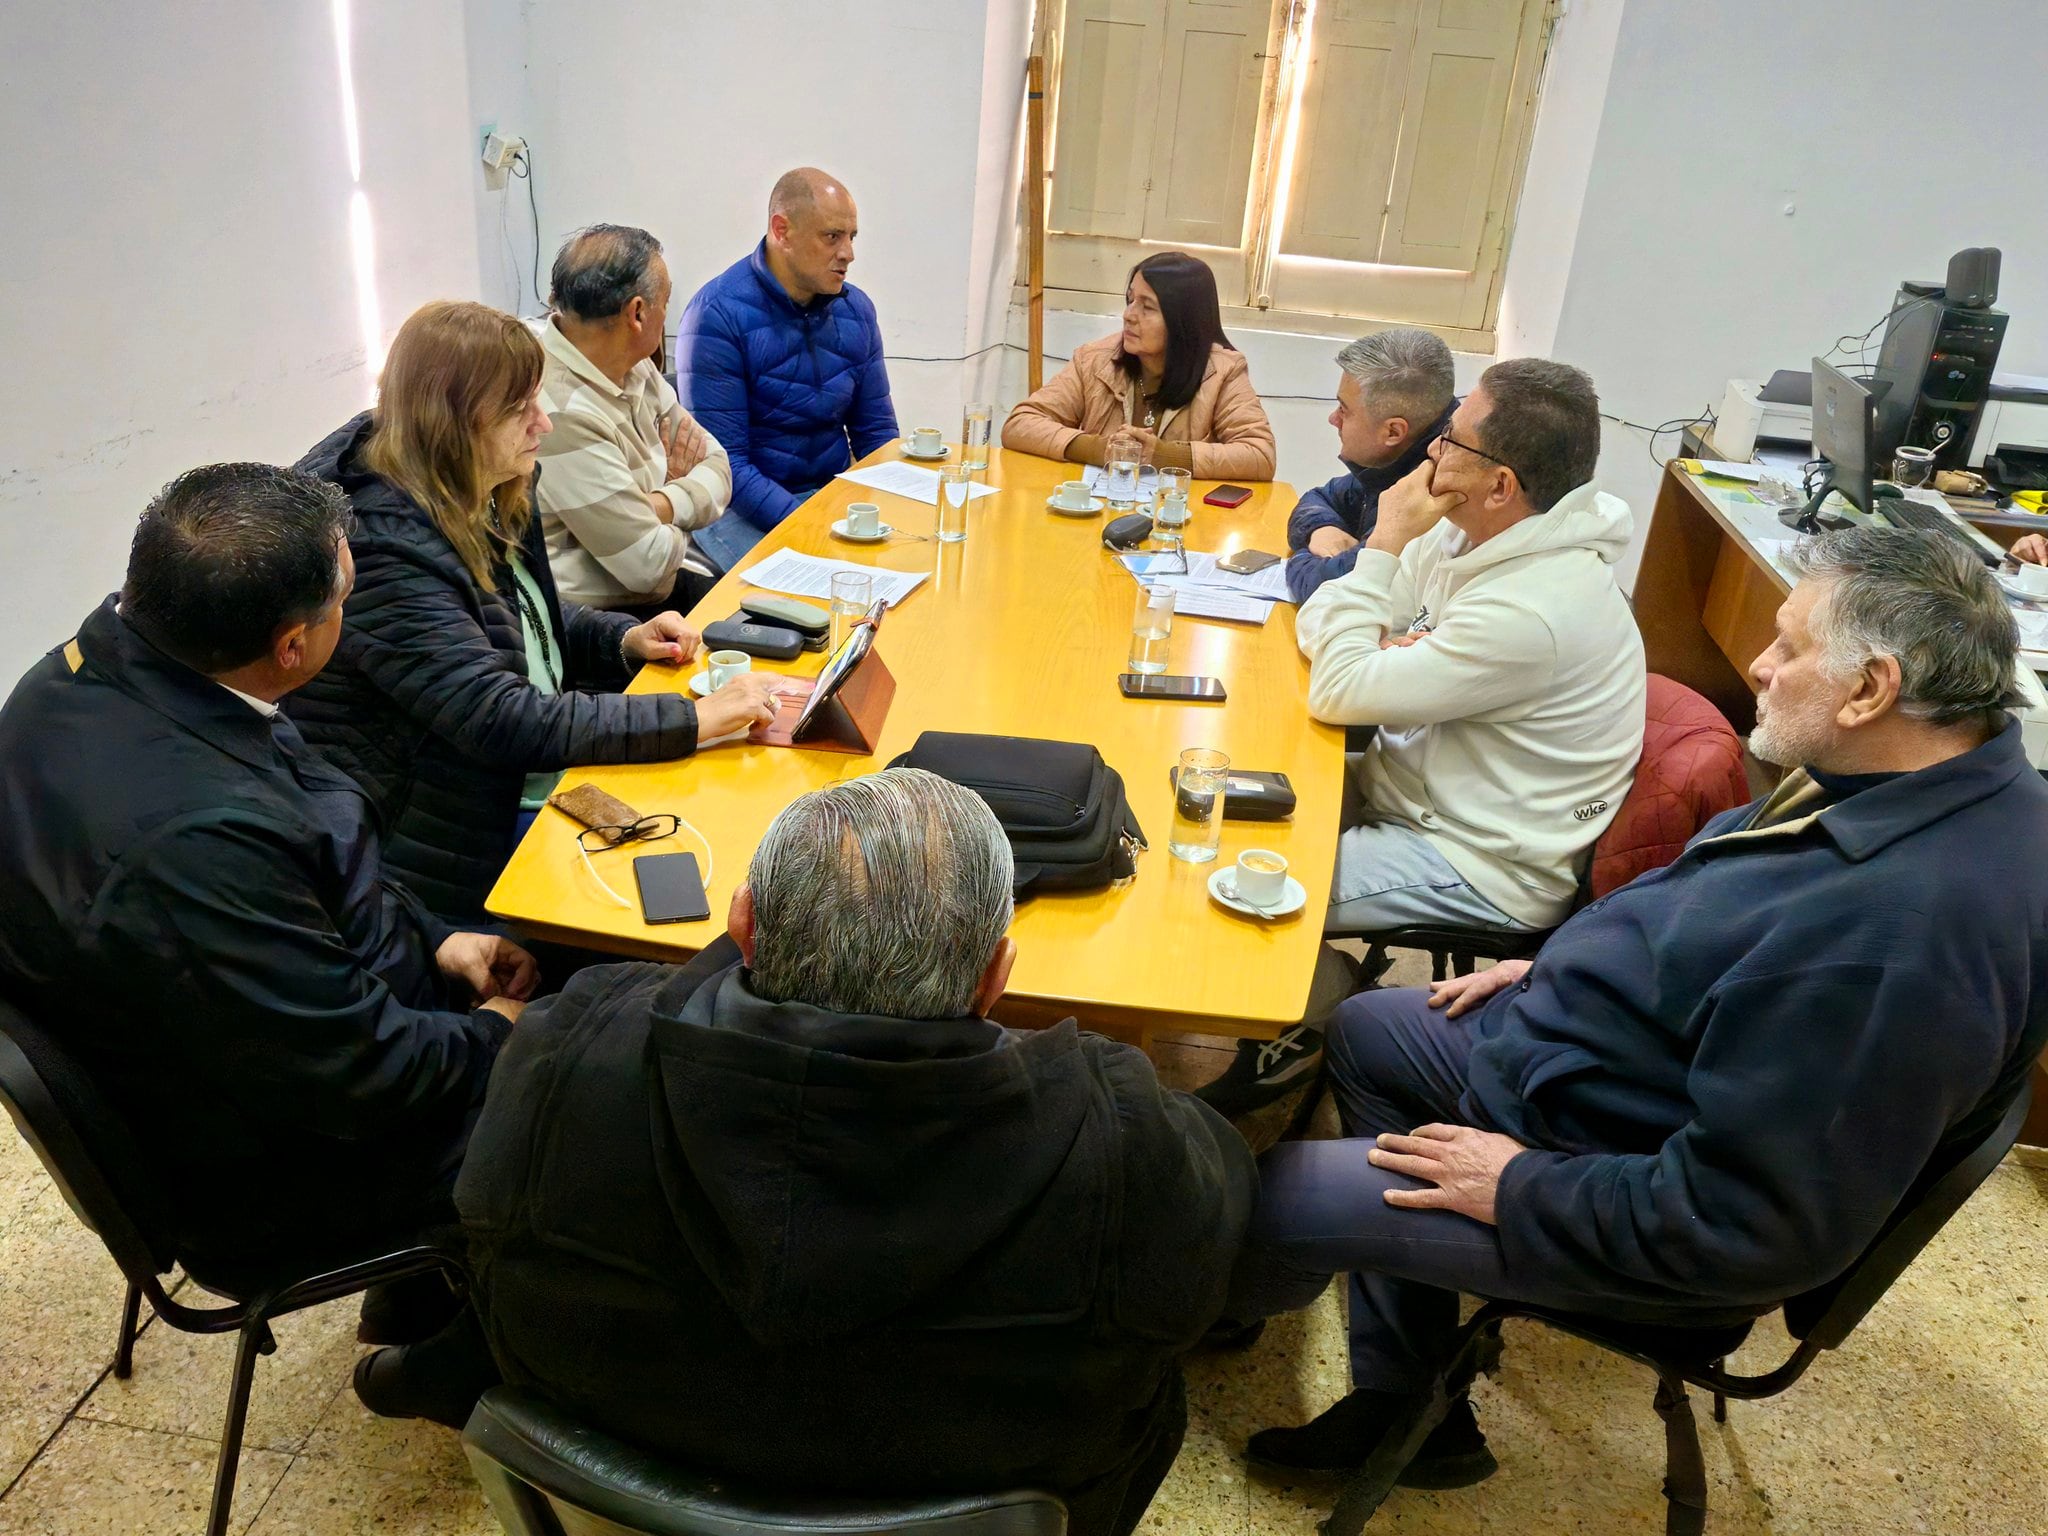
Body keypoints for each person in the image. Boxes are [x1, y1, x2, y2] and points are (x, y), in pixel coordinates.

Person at [1229, 526, 2048, 1486]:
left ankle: (1198, 1307)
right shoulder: (1925, 778)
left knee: (1276, 1197)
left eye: (1789, 647)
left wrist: (1520, 1185)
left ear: (1873, 688)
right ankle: (1408, 1399)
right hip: (1605, 1071)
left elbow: (1751, 1227)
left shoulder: (1896, 944)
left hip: (1628, 1196)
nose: (1760, 665)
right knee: (1370, 1030)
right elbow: (1709, 904)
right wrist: (1550, 963)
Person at [456, 768, 1256, 1536]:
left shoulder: (568, 1049)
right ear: (995, 979)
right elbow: (1215, 1249)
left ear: (742, 925)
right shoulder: (1120, 1140)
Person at [0, 463, 531, 1287]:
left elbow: (303, 870)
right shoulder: (195, 844)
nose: (347, 616)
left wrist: (436, 940)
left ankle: (443, 1299)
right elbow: (364, 1076)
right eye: (343, 602)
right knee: (613, 1097)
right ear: (292, 647)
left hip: (254, 1052)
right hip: (282, 1168)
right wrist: (499, 1033)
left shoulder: (91, 675)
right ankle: (472, 1353)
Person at [1199, 358, 1645, 1120]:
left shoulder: (1534, 608)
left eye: (1452, 440)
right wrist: (1370, 628)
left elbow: (1339, 685)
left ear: (1501, 484)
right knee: (1212, 807)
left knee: (1234, 886)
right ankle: (1315, 994)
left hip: (1479, 859)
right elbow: (1324, 621)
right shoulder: (1476, 533)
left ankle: (1310, 1017)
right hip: (1411, 789)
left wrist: (1382, 547)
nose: (1433, 454)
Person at [290, 301, 780, 925]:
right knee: (683, 891)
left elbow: (514, 622)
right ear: (454, 425)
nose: (543, 424)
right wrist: (695, 717)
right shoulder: (384, 551)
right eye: (520, 409)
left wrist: (623, 639)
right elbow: (500, 716)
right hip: (438, 844)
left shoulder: (479, 485)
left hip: (503, 786)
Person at [677, 168, 898, 571]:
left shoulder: (857, 310)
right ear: (782, 230)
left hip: (827, 498)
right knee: (811, 601)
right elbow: (726, 465)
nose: (848, 253)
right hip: (736, 508)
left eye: (852, 237)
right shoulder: (716, 315)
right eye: (832, 237)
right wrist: (812, 524)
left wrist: (885, 508)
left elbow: (877, 434)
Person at [534, 224, 731, 620]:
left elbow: (720, 465)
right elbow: (649, 567)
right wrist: (678, 487)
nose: (667, 317)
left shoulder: (635, 363)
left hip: (661, 587)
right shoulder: (556, 407)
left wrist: (658, 504)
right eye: (667, 302)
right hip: (595, 623)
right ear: (638, 313)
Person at [1002, 251, 1276, 481]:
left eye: (1147, 307)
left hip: (1179, 522)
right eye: (1130, 300)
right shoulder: (1096, 359)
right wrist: (1100, 449)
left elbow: (1259, 455)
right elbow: (1020, 424)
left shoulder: (1223, 372)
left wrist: (1161, 455)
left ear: (1183, 320)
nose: (1128, 315)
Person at [1285, 329, 1457, 604]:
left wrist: (1300, 559)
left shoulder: (1430, 489)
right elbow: (1320, 498)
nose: (1333, 419)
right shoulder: (1401, 455)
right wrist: (1321, 529)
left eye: (1344, 410)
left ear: (1393, 432)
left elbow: (1329, 589)